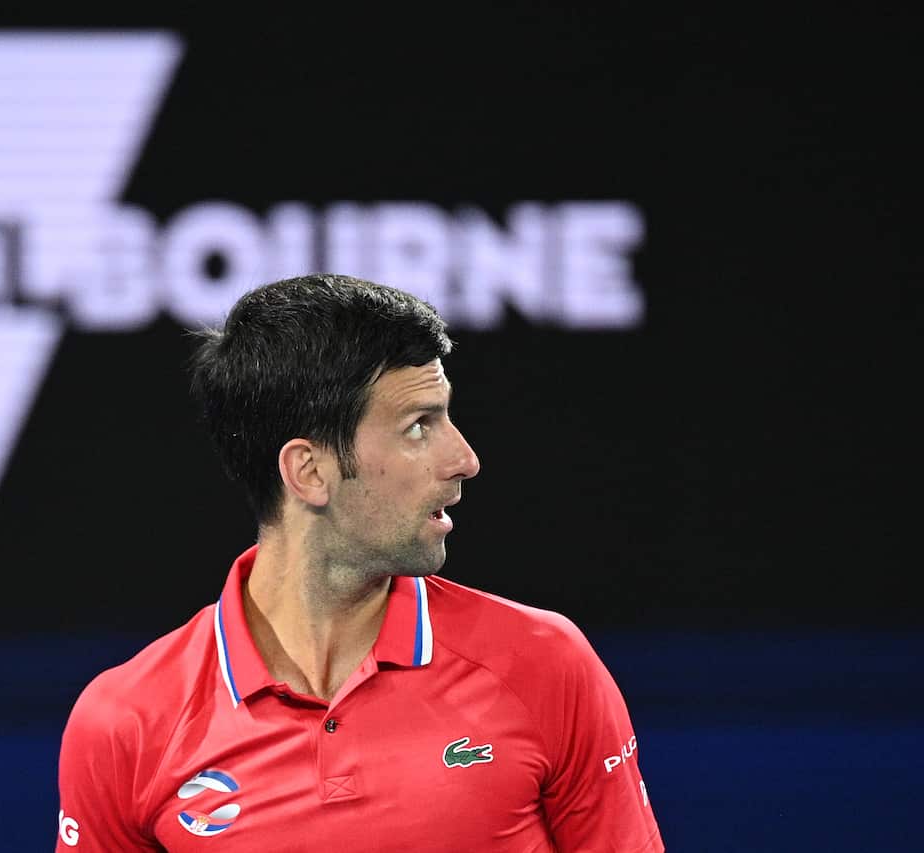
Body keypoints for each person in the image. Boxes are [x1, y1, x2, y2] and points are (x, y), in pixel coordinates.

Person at [55, 273, 663, 851]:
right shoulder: (126, 721)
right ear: (309, 471)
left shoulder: (543, 663)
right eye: (419, 426)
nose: (465, 458)